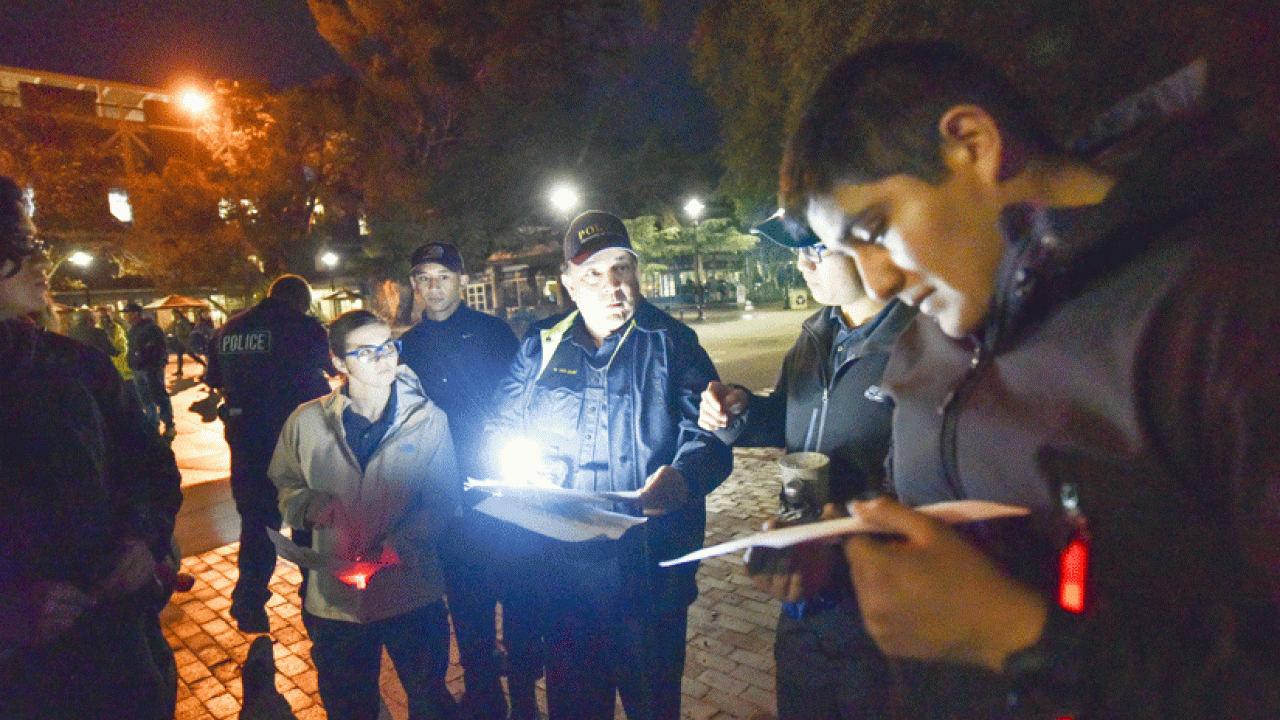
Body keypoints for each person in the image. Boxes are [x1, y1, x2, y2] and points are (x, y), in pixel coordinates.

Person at [781, 41, 1280, 718]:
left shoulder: (1228, 302)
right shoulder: (931, 332)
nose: (879, 281)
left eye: (876, 228)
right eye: (847, 254)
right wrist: (858, 547)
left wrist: (1022, 639)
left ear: (973, 143)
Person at [485, 210, 733, 720]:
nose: (612, 285)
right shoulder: (541, 343)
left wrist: (682, 480)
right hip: (561, 578)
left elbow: (709, 439)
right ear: (569, 283)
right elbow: (499, 424)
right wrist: (515, 471)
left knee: (653, 706)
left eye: (621, 268)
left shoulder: (673, 343)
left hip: (647, 575)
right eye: (594, 273)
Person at [698, 212, 916, 720]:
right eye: (797, 253)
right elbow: (788, 418)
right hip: (800, 596)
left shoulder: (919, 342)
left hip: (877, 604)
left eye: (815, 250)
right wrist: (739, 410)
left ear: (865, 245)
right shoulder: (817, 333)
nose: (802, 264)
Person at [0, 175, 184, 719]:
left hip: (120, 664)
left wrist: (144, 542)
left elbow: (151, 472)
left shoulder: (75, 367)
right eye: (22, 245)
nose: (42, 263)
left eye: (40, 246)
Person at [270, 309, 460, 720]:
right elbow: (284, 482)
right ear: (338, 362)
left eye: (389, 346)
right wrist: (306, 505)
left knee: (429, 700)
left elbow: (444, 500)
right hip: (336, 603)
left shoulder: (428, 420)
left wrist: (399, 545)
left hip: (411, 591)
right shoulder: (307, 421)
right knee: (349, 709)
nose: (384, 358)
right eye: (367, 351)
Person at [397, 242, 524, 720]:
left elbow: (521, 395)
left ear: (462, 281)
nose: (434, 288)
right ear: (414, 285)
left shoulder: (494, 333)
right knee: (467, 602)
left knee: (517, 594)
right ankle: (485, 697)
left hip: (501, 484)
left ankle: (526, 692)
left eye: (443, 277)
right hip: (443, 495)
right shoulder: (406, 347)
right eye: (424, 278)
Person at [205, 275, 335, 633]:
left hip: (246, 441)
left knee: (257, 522)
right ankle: (316, 595)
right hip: (295, 440)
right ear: (301, 301)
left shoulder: (230, 329)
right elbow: (332, 368)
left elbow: (215, 380)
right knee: (307, 519)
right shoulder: (303, 326)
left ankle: (248, 601)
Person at [123, 300, 175, 438]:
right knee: (145, 398)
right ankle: (153, 424)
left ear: (136, 314)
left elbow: (161, 347)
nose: (125, 317)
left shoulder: (151, 328)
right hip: (138, 369)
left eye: (127, 313)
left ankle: (169, 424)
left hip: (150, 368)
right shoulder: (133, 330)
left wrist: (157, 364)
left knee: (159, 395)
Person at [167, 308, 206, 377]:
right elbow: (171, 329)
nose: (174, 315)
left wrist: (180, 333)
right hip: (180, 342)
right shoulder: (177, 322)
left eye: (175, 314)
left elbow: (188, 331)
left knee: (192, 354)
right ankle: (179, 370)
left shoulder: (184, 321)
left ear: (178, 314)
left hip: (186, 342)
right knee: (179, 355)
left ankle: (204, 365)